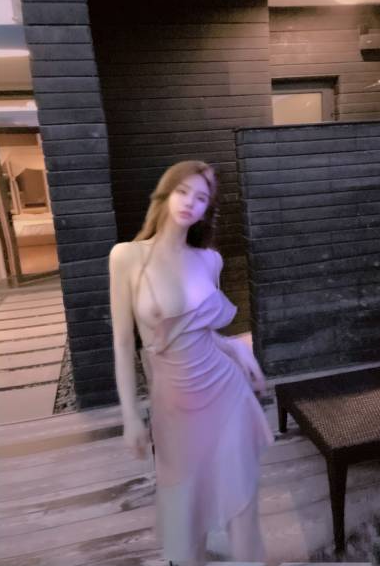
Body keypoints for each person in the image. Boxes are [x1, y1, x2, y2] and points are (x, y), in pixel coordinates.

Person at [109, 160, 274, 566]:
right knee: (186, 525)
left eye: (201, 198)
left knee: (242, 513)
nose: (190, 203)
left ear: (206, 210)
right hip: (173, 407)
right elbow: (123, 343)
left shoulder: (209, 260)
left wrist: (234, 347)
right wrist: (130, 416)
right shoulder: (127, 257)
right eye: (183, 192)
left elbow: (199, 330)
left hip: (226, 395)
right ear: (165, 194)